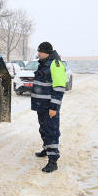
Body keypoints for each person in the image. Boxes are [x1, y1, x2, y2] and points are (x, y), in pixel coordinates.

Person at [31, 42, 66, 173]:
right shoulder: (44, 63)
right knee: (44, 129)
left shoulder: (55, 65)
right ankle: (46, 149)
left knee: (51, 131)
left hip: (49, 107)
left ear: (47, 52)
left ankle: (53, 161)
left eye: (40, 51)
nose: (38, 54)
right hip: (41, 106)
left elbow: (59, 88)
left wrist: (54, 107)